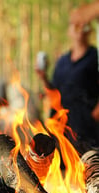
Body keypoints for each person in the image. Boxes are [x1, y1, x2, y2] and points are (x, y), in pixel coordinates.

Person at [36, 20, 99, 156]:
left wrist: (96, 112)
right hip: (61, 122)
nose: (80, 28)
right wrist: (43, 78)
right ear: (69, 31)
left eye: (84, 24)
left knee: (87, 165)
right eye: (76, 25)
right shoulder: (63, 61)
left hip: (86, 123)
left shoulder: (95, 57)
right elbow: (54, 91)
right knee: (61, 166)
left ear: (89, 31)